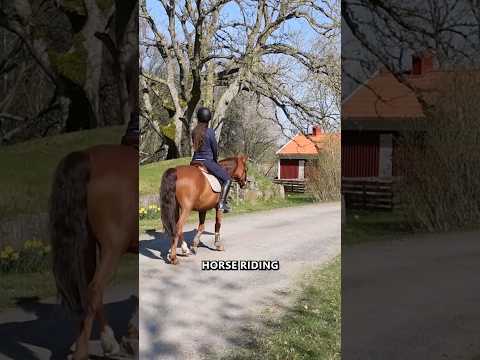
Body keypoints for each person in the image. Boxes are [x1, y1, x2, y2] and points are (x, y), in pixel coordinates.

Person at [191, 107, 232, 213]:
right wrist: (215, 159)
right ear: (208, 119)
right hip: (207, 161)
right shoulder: (210, 132)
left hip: (194, 161)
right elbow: (214, 147)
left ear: (199, 118)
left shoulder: (194, 131)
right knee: (228, 179)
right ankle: (222, 203)